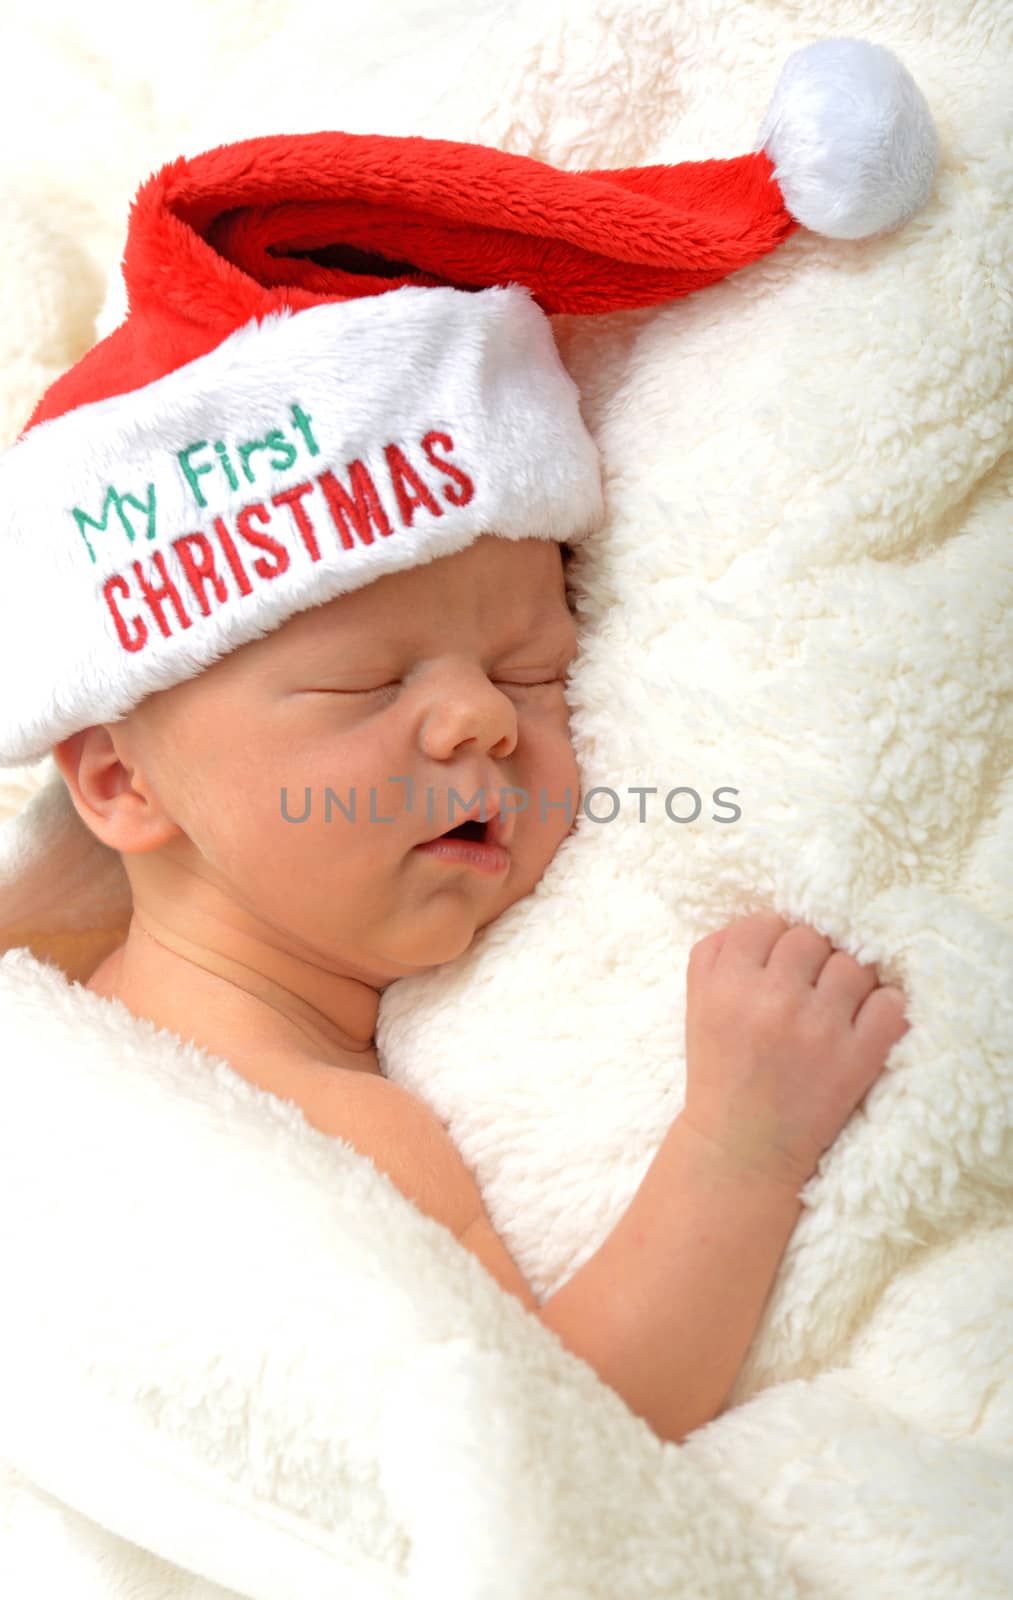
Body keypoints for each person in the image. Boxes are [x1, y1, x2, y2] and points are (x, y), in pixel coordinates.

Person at [1, 56, 933, 1440]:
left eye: (532, 669)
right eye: (369, 680)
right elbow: (570, 1435)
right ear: (121, 782)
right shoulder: (331, 1129)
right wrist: (743, 1145)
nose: (486, 718)